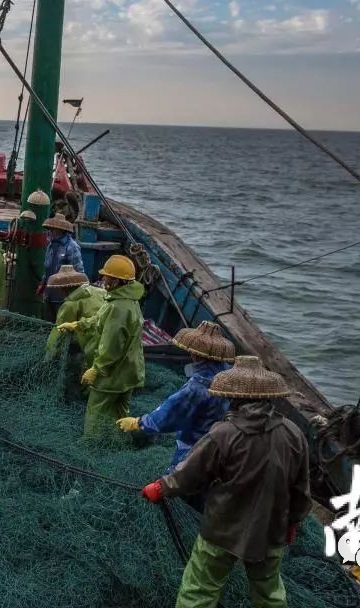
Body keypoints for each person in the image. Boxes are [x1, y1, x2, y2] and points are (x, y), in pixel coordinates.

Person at [140, 355, 310, 608]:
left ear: (234, 397)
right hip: (270, 530)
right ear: (268, 397)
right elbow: (301, 488)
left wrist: (161, 487)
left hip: (222, 529)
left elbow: (189, 474)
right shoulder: (294, 434)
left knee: (199, 590)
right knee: (270, 593)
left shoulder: (223, 433)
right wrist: (292, 522)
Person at [116, 320, 235, 473]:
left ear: (196, 354)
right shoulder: (228, 374)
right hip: (221, 443)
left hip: (196, 445)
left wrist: (138, 423)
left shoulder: (198, 387)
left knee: (180, 478)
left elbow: (172, 412)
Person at [56, 254, 145, 438]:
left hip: (113, 375)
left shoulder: (118, 307)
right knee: (119, 414)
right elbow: (100, 319)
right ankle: (120, 445)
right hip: (130, 371)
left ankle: (92, 447)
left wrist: (97, 369)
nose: (103, 278)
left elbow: (112, 345)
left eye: (107, 276)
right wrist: (78, 325)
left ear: (117, 280)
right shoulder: (127, 299)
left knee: (96, 413)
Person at [42, 265, 105, 402]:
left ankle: (86, 402)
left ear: (63, 288)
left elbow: (57, 332)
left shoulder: (70, 305)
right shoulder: (99, 292)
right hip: (111, 339)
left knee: (89, 378)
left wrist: (48, 356)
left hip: (92, 344)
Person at [40, 214, 84, 321]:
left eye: (52, 229)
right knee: (47, 320)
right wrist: (43, 284)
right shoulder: (51, 244)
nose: (50, 231)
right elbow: (47, 266)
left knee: (61, 321)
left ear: (59, 230)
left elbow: (79, 271)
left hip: (63, 293)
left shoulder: (71, 246)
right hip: (49, 291)